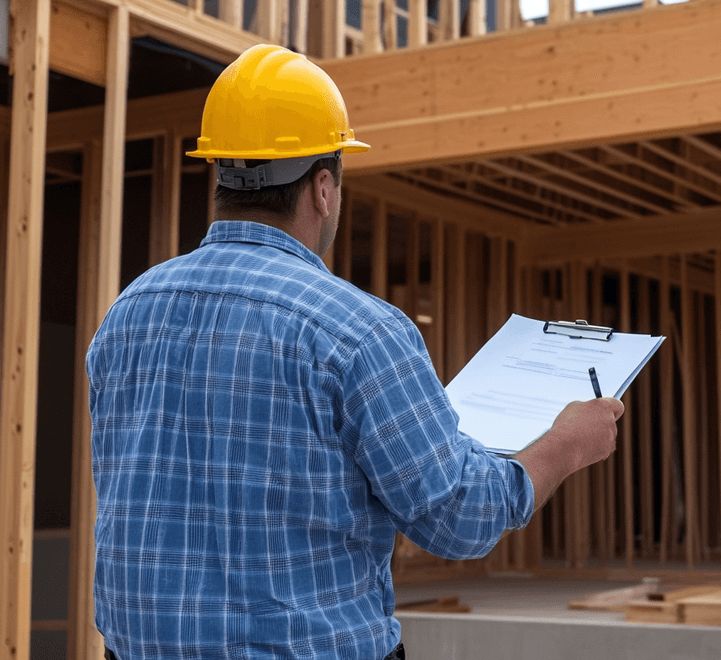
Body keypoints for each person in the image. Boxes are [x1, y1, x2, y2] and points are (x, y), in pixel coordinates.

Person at [87, 44, 623, 660]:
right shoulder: (359, 331)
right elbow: (458, 517)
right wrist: (565, 445)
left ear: (221, 175)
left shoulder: (127, 314)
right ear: (321, 187)